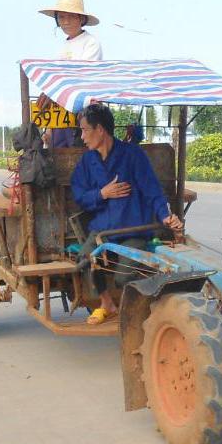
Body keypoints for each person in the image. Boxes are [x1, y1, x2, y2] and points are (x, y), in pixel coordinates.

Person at [71, 103, 183, 325]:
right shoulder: (87, 161)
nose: (82, 136)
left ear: (100, 130)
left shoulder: (132, 155)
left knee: (124, 276)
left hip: (133, 230)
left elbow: (152, 190)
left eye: (84, 130)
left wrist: (165, 216)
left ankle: (132, 313)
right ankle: (107, 304)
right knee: (85, 260)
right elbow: (79, 196)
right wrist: (102, 193)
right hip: (103, 230)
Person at [37, 0, 102, 147]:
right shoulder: (63, 48)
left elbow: (83, 77)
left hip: (83, 112)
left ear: (81, 19)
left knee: (81, 155)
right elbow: (56, 83)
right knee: (58, 157)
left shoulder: (91, 42)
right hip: (63, 112)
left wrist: (54, 91)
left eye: (70, 17)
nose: (65, 22)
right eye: (61, 17)